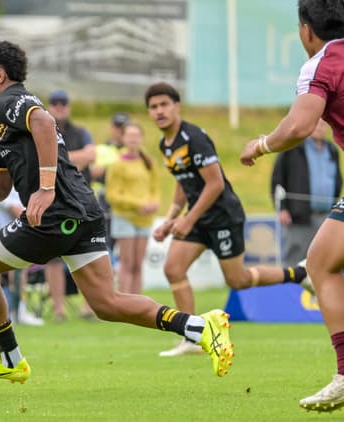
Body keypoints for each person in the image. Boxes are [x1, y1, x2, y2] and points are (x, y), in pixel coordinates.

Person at [0, 39, 234, 384]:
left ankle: (10, 358)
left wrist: (45, 189)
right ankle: (200, 326)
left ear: (0, 75)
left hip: (56, 214)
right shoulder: (6, 121)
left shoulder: (9, 100)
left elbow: (45, 123)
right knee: (107, 303)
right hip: (83, 209)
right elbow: (2, 189)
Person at [145, 82, 309, 358]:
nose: (159, 111)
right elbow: (183, 182)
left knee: (238, 280)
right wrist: (170, 219)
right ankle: (192, 337)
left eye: (164, 104)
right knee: (173, 268)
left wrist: (187, 220)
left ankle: (300, 274)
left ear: (176, 107)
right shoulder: (165, 144)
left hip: (222, 216)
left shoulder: (193, 137)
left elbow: (215, 184)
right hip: (198, 217)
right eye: (153, 107)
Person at [239, 0, 344, 411]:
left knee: (321, 264)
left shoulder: (321, 63)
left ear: (305, 30)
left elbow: (300, 125)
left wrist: (260, 145)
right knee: (320, 259)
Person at [46, 89, 97, 321]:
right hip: (53, 201)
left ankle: (89, 307)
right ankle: (59, 310)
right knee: (53, 259)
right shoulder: (42, 131)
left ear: (68, 106)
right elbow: (45, 158)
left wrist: (59, 158)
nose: (59, 107)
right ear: (49, 107)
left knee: (87, 255)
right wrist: (76, 158)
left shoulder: (81, 132)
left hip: (81, 200)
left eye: (63, 103)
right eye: (55, 104)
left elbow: (91, 155)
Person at [271, 119, 341, 266]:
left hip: (327, 216)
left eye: (323, 124)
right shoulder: (292, 148)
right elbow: (277, 179)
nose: (319, 127)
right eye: (316, 123)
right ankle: (292, 290)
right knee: (296, 260)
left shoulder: (332, 150)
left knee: (328, 262)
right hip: (299, 216)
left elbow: (337, 179)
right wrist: (283, 208)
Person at [105, 122, 159, 294]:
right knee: (127, 264)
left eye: (136, 136)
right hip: (125, 216)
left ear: (141, 138)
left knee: (138, 264)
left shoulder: (147, 161)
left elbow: (154, 187)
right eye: (130, 136)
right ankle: (125, 302)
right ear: (123, 138)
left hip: (145, 219)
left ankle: (138, 302)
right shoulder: (117, 163)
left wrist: (153, 203)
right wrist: (138, 205)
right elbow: (112, 195)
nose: (133, 140)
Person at [0, 188, 44, 326]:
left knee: (20, 271)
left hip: (21, 229)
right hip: (1, 229)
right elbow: (7, 202)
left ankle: (19, 311)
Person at [91, 112, 129, 251]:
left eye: (123, 127)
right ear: (112, 128)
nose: (120, 131)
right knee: (104, 247)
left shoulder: (133, 151)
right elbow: (94, 173)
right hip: (103, 204)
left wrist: (107, 171)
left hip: (126, 206)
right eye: (117, 127)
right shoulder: (101, 149)